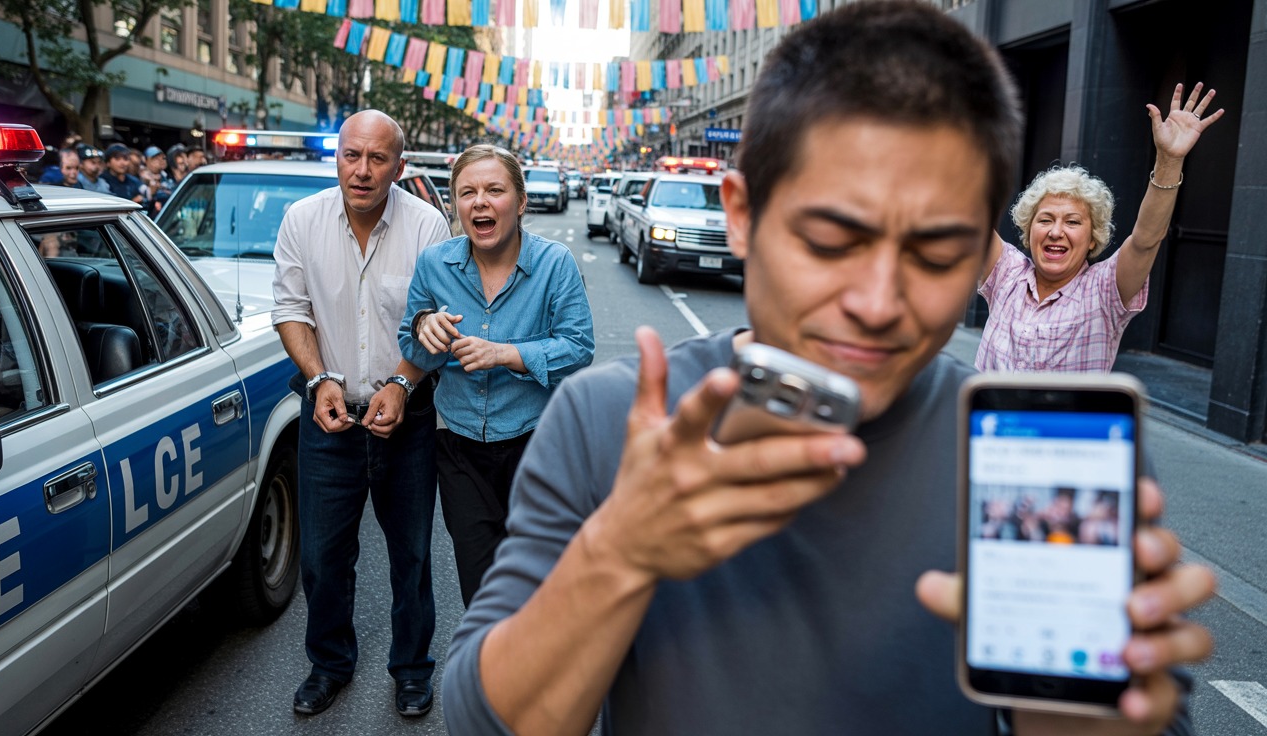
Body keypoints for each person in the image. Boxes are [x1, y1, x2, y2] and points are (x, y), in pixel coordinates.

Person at [442, 3, 1215, 735]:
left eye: (936, 253)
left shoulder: (1039, 457)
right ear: (741, 215)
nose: (879, 302)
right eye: (830, 240)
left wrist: (1075, 711)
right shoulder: (610, 420)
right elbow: (489, 717)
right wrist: (621, 553)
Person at [272, 109, 450, 719]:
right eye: (353, 155)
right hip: (329, 418)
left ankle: (411, 669)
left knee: (413, 555)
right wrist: (319, 377)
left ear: (399, 167)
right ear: (337, 158)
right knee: (322, 557)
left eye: (378, 159)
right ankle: (329, 664)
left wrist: (403, 382)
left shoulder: (428, 225)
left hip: (410, 416)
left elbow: (439, 322)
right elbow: (291, 310)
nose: (363, 170)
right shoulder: (302, 220)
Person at [396, 144, 594, 607]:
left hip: (537, 445)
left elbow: (579, 347)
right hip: (460, 449)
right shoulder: (434, 265)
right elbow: (410, 346)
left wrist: (505, 354)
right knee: (481, 587)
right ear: (456, 206)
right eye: (467, 193)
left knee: (536, 582)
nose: (480, 202)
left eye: (494, 190)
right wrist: (424, 327)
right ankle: (493, 676)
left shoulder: (555, 263)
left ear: (520, 203)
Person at [975, 84, 1224, 372]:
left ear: (1093, 240)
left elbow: (1146, 240)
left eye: (1072, 222)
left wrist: (1169, 160)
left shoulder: (1103, 290)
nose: (1056, 231)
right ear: (1028, 232)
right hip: (990, 418)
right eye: (1045, 220)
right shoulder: (1007, 274)